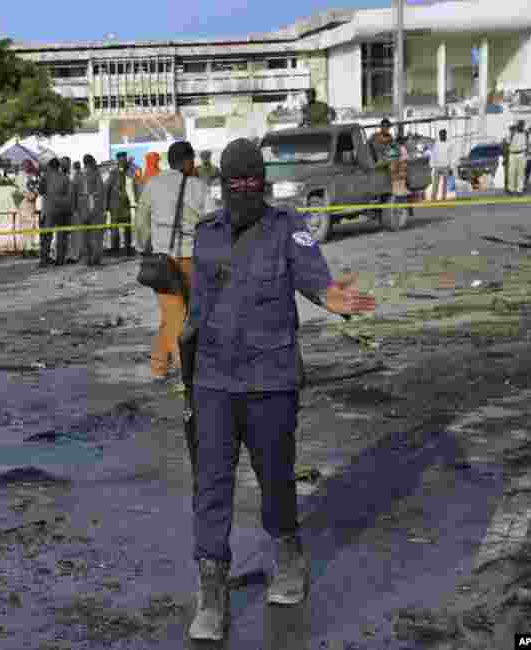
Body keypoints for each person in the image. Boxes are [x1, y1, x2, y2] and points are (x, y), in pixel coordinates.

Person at [185, 138, 376, 641]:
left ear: (263, 182)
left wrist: (330, 296)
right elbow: (197, 311)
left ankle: (287, 555)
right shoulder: (205, 235)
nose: (243, 188)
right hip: (213, 384)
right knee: (210, 486)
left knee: (275, 478)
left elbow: (315, 277)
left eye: (252, 179)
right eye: (234, 181)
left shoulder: (287, 227)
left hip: (271, 381)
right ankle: (211, 590)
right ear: (222, 185)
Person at [134, 141, 215, 382]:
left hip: (162, 261)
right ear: (188, 161)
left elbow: (141, 221)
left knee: (172, 314)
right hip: (193, 260)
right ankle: (185, 374)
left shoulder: (153, 184)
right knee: (182, 316)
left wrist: (142, 248)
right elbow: (211, 222)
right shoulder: (199, 187)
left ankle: (159, 366)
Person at [39, 158, 71, 267]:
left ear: (50, 166)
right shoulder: (65, 178)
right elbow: (69, 194)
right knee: (62, 236)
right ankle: (60, 259)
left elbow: (41, 191)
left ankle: (44, 260)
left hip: (48, 209)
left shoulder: (45, 177)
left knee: (46, 236)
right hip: (62, 209)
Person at [75, 154, 107, 267]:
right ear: (92, 162)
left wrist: (76, 208)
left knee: (84, 235)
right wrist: (103, 207)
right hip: (94, 207)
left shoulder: (78, 175)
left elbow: (74, 192)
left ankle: (87, 259)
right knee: (96, 234)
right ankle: (96, 258)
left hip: (81, 207)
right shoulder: (96, 174)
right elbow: (101, 191)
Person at [106, 152, 137, 256]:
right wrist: (106, 206)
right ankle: (116, 250)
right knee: (115, 229)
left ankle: (127, 249)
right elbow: (107, 188)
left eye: (124, 159)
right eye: (121, 159)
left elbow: (133, 177)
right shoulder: (113, 173)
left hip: (125, 205)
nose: (123, 161)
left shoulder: (128, 171)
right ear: (118, 160)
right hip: (115, 206)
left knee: (127, 228)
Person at [429, 129, 455, 201]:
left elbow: (451, 156)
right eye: (441, 134)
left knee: (445, 183)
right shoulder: (436, 144)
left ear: (445, 135)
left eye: (443, 134)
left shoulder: (449, 144)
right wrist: (431, 165)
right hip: (437, 166)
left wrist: (451, 167)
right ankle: (433, 198)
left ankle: (443, 197)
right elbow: (433, 155)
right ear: (439, 135)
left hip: (446, 166)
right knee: (435, 183)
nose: (442, 135)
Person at [507, 120, 529, 195]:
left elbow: (527, 143)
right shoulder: (512, 133)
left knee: (521, 173)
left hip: (522, 154)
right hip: (512, 154)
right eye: (520, 125)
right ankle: (511, 189)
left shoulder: (526, 133)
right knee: (511, 172)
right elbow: (507, 143)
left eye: (522, 125)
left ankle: (520, 190)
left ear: (523, 125)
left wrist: (526, 152)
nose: (521, 126)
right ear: (517, 125)